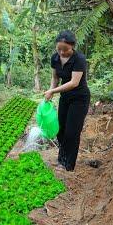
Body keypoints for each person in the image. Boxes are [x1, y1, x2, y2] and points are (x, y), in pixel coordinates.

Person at [44, 30, 91, 172]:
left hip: (79, 98)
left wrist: (53, 91)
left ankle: (68, 165)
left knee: (72, 132)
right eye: (58, 49)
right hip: (65, 97)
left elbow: (74, 83)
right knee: (61, 130)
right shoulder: (55, 58)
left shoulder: (79, 59)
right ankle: (61, 160)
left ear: (72, 47)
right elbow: (55, 78)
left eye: (65, 49)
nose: (61, 52)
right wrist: (51, 90)